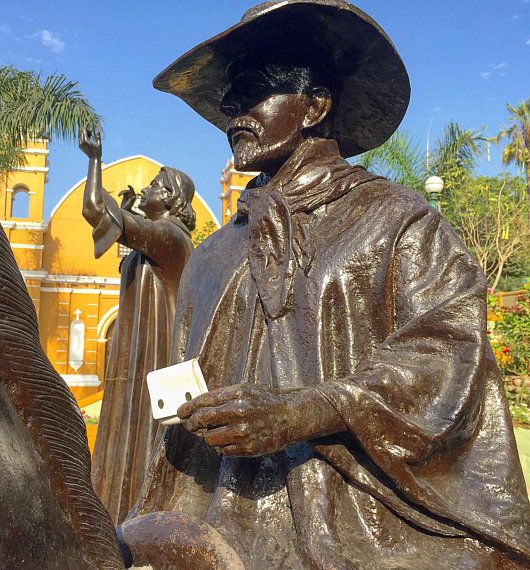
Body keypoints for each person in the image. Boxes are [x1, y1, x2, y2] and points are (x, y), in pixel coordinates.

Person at [127, 1, 530, 568]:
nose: (232, 111)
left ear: (314, 106)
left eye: (254, 91)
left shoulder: (397, 222)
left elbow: (445, 354)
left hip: (359, 518)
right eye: (229, 99)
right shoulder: (215, 252)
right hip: (214, 516)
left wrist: (312, 410)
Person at [80, 129, 195, 525]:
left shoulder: (170, 237)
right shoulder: (157, 241)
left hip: (152, 369)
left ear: (173, 201)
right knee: (121, 445)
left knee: (140, 447)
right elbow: (134, 270)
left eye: (156, 186)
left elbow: (97, 209)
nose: (147, 188)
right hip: (132, 366)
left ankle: (137, 526)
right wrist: (128, 215)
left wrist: (95, 160)